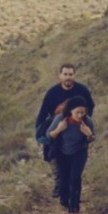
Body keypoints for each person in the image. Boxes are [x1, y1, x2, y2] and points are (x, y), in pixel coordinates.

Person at [35, 64, 95, 196]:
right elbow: (43, 113)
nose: (68, 77)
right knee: (53, 156)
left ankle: (71, 188)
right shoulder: (52, 93)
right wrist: (39, 134)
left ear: (74, 75)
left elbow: (90, 106)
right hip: (57, 127)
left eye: (71, 74)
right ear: (60, 76)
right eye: (65, 74)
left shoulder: (82, 90)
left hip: (76, 129)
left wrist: (85, 122)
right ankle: (59, 184)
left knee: (75, 158)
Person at [47, 95, 95, 214]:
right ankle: (64, 200)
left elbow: (91, 139)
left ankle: (74, 210)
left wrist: (89, 134)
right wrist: (59, 129)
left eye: (82, 112)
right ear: (70, 111)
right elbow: (49, 135)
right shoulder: (60, 119)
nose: (80, 115)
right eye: (77, 112)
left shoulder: (87, 121)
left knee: (75, 179)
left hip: (79, 152)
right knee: (64, 179)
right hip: (62, 153)